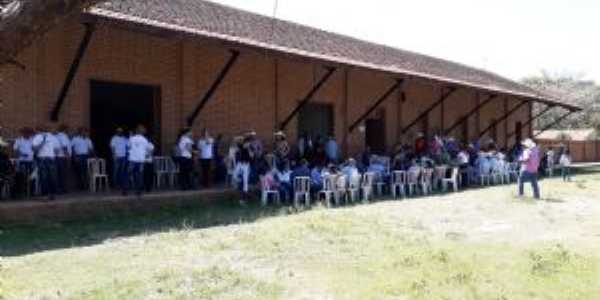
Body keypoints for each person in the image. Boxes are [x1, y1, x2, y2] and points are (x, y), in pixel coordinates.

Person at [32, 125, 60, 200]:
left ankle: (52, 194)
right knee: (44, 177)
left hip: (50, 159)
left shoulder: (53, 137)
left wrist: (52, 154)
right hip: (42, 159)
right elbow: (34, 149)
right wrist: (43, 142)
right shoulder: (38, 137)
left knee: (52, 177)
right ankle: (45, 194)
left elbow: (57, 149)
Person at [125, 125, 154, 197]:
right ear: (142, 132)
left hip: (132, 159)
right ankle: (138, 191)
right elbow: (148, 150)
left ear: (136, 131)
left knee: (128, 175)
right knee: (139, 175)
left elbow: (128, 147)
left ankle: (125, 190)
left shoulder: (132, 138)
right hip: (141, 160)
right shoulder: (144, 140)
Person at [54, 125, 71, 193]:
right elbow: (64, 147)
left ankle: (60, 188)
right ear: (64, 129)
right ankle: (61, 189)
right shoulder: (63, 136)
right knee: (62, 174)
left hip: (58, 157)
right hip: (62, 157)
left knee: (59, 174)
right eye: (67, 129)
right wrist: (68, 156)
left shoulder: (57, 136)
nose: (68, 130)